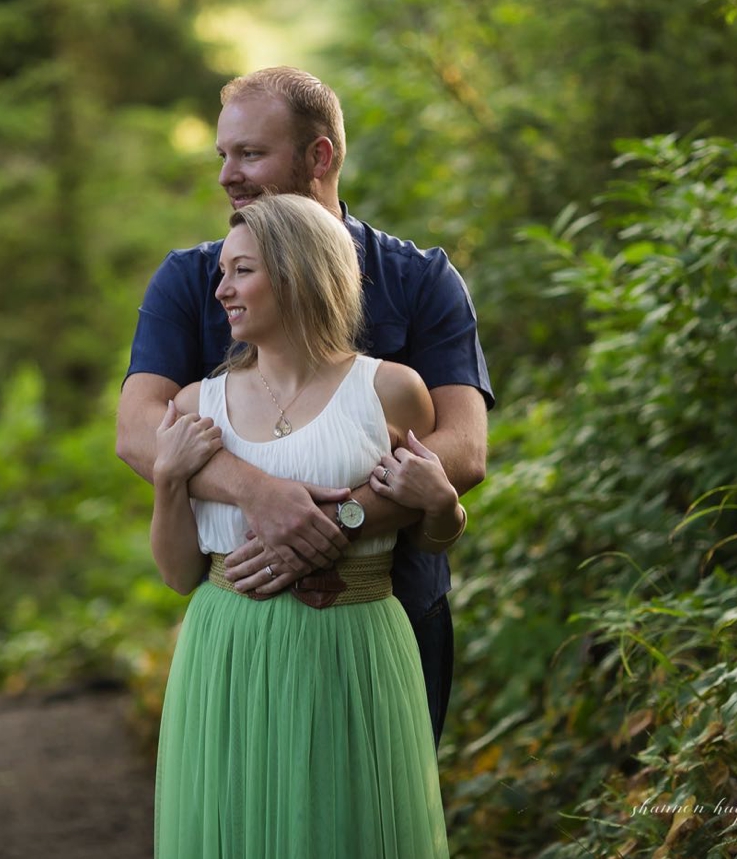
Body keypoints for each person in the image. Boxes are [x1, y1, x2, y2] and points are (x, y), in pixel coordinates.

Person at [116, 66, 492, 746]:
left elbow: (462, 449)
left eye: (250, 153)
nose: (228, 174)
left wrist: (332, 523)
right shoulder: (191, 277)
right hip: (249, 611)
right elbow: (140, 432)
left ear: (319, 155)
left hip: (393, 605)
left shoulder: (422, 279)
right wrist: (260, 495)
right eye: (223, 155)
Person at [149, 192, 454, 858]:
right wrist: (169, 479)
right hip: (226, 648)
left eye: (242, 271)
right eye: (221, 272)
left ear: (298, 272)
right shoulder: (196, 405)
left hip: (355, 644)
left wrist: (441, 505)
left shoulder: (391, 390)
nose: (222, 289)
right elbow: (177, 575)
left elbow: (427, 531)